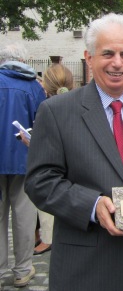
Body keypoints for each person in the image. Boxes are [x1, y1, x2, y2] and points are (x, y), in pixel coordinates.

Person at [24, 13, 123, 291]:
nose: (117, 62)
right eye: (107, 53)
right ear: (89, 57)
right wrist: (92, 206)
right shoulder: (57, 112)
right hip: (83, 269)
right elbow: (40, 181)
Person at [0, 43, 46, 287]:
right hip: (24, 159)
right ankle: (22, 269)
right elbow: (43, 123)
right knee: (24, 217)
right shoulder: (31, 85)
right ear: (22, 60)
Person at [19, 63, 74, 256]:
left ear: (46, 87)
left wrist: (30, 143)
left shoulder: (48, 109)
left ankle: (48, 239)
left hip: (58, 178)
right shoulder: (82, 106)